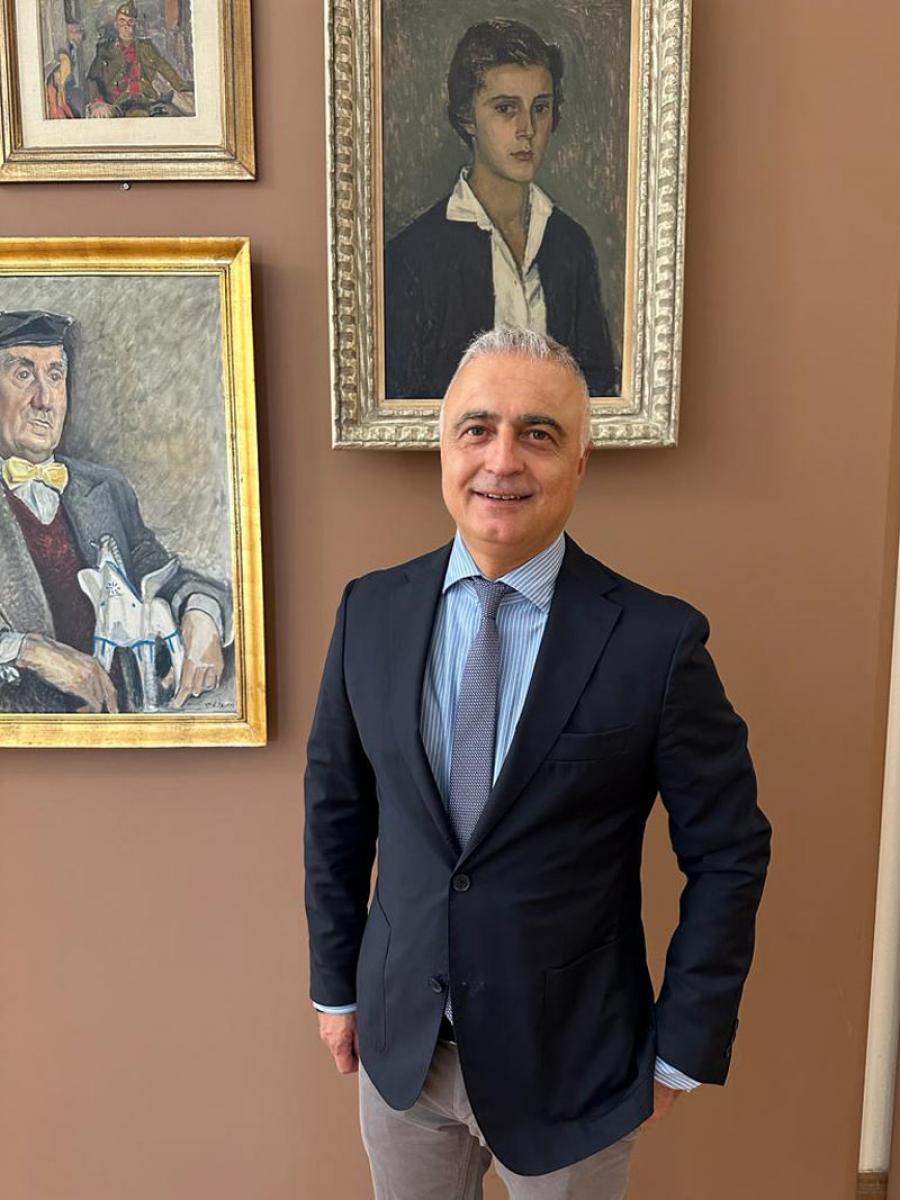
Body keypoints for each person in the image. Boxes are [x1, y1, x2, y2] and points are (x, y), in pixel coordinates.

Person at [305, 326, 771, 1198]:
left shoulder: (657, 642)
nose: (502, 460)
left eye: (539, 433)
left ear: (580, 461)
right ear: (444, 447)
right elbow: (336, 808)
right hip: (404, 1054)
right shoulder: (369, 612)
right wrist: (335, 988)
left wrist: (684, 1044)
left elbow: (729, 851)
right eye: (477, 429)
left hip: (575, 1066)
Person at [0, 309, 231, 714]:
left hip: (126, 729)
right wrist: (28, 650)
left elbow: (161, 573)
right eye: (23, 375)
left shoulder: (106, 489)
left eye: (55, 376)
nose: (44, 400)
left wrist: (201, 611)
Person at [385, 20, 618, 401]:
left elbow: (599, 388)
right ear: (467, 117)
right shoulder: (414, 256)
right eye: (506, 108)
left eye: (540, 108)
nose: (527, 129)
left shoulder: (570, 244)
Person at [86, 1, 193, 119]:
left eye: (130, 21)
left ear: (135, 24)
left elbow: (165, 68)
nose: (126, 26)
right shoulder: (105, 50)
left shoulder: (146, 48)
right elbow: (92, 79)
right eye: (122, 21)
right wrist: (97, 101)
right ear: (116, 24)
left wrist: (183, 88)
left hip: (145, 99)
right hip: (117, 101)